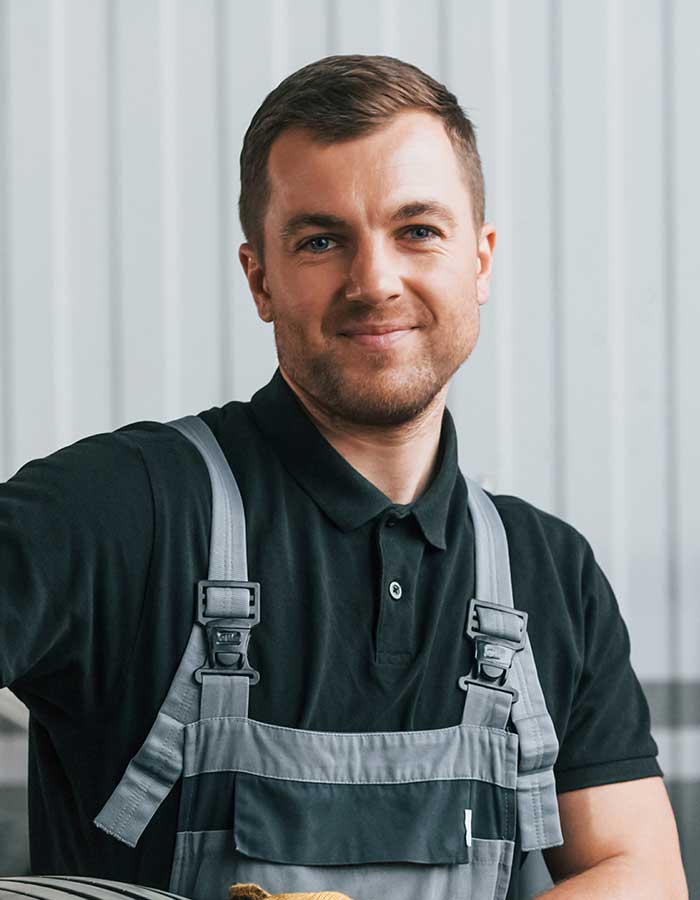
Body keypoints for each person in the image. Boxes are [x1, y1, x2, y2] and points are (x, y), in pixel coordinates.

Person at [0, 53, 687, 900]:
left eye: (417, 230)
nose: (374, 281)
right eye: (323, 240)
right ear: (260, 278)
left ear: (480, 259)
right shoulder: (118, 511)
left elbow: (639, 870)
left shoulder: (551, 573)